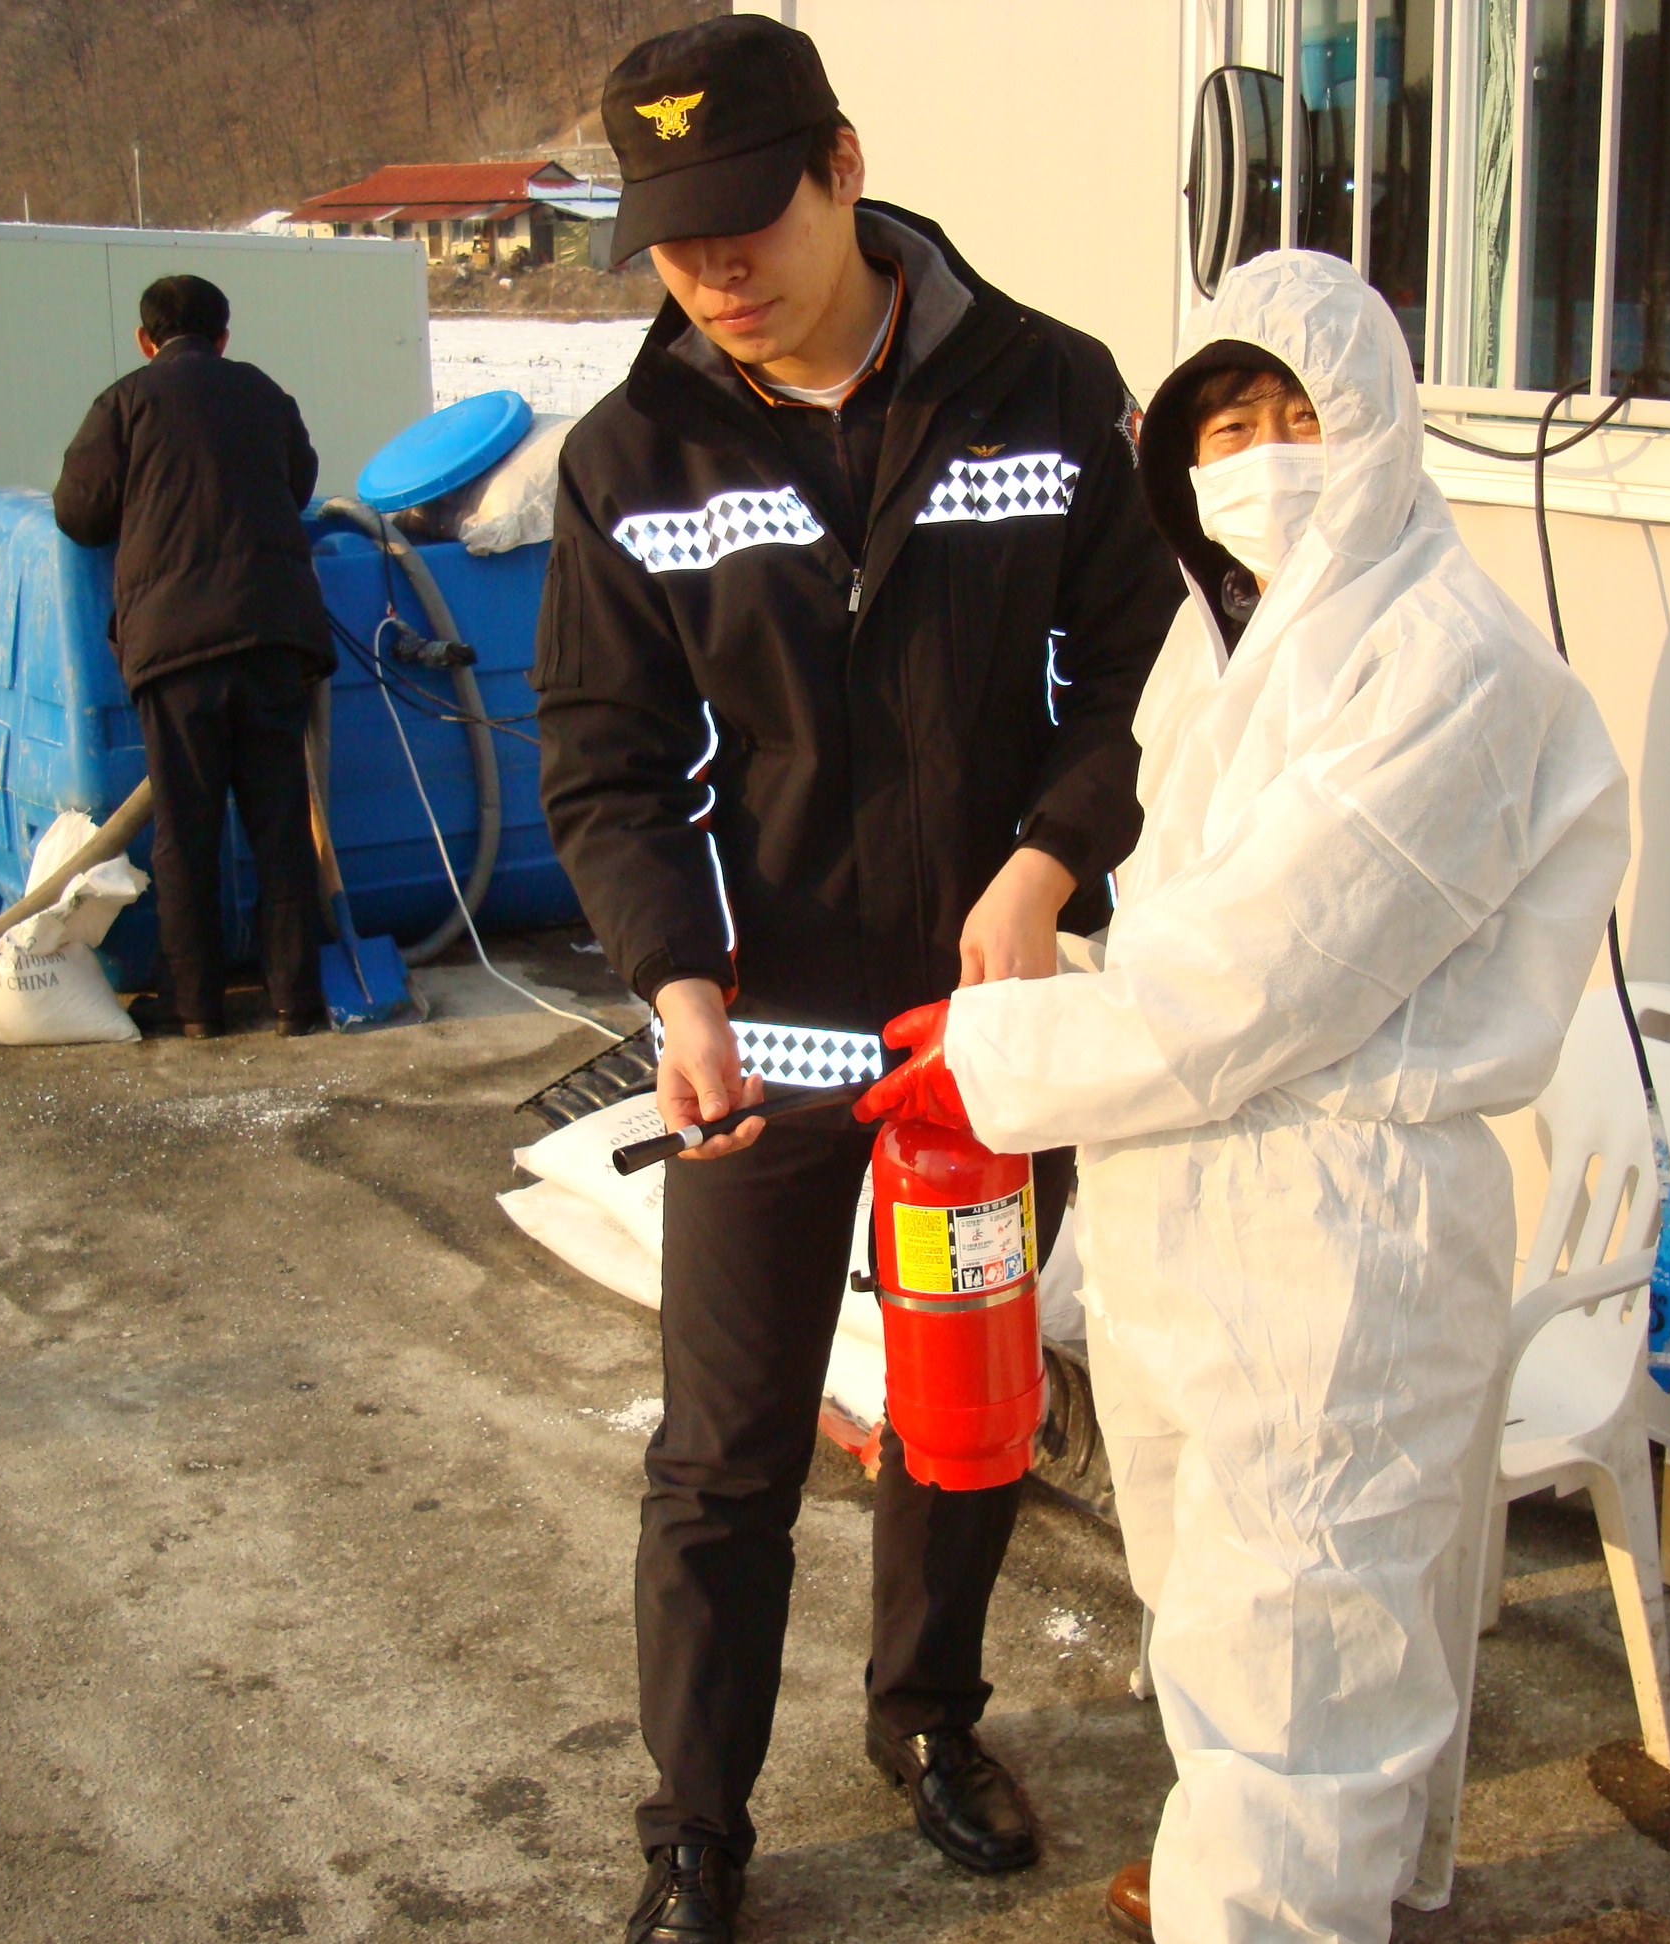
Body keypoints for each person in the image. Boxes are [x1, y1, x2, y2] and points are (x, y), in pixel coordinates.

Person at [855, 252, 1634, 1944]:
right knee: (1249, 1617)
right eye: (1224, 426)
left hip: (1337, 1232)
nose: (1262, 455)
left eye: (1297, 415)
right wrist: (1052, 988)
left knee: (1302, 1652)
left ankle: (1271, 1900)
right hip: (1211, 1211)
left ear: (1378, 424)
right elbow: (1187, 931)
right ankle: (1297, 1876)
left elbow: (1264, 975)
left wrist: (998, 1051)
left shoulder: (1447, 663)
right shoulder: (1237, 642)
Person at [534, 17, 1177, 1943]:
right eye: (673, 240)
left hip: (985, 1048)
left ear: (841, 165)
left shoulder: (1047, 389)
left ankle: (925, 1715)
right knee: (722, 1453)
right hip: (760, 1056)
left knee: (961, 1407)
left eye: (746, 216)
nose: (714, 269)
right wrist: (677, 987)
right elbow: (601, 759)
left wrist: (1046, 861)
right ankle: (695, 1826)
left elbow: (1148, 668)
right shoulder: (631, 455)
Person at [53, 273, 335, 1039]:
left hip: (175, 648)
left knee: (187, 831)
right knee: (281, 823)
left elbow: (78, 513)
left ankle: (195, 1003)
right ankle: (295, 998)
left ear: (146, 340)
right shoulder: (264, 395)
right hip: (272, 635)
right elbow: (298, 483)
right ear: (223, 336)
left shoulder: (125, 402)